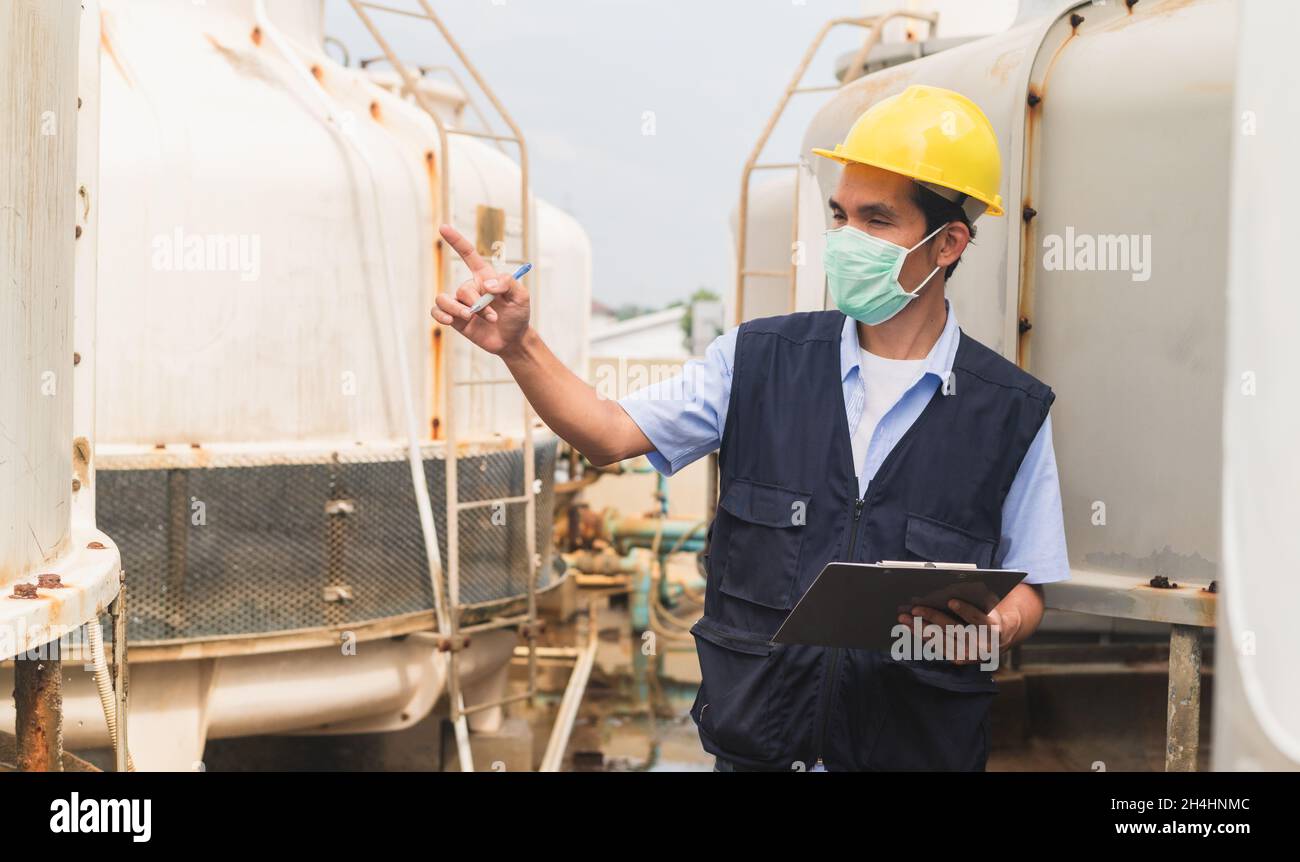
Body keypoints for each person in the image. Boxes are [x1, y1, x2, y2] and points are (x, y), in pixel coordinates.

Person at [431, 84, 1068, 772]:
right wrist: (519, 346)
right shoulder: (757, 361)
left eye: (876, 220)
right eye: (840, 216)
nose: (847, 241)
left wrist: (999, 626)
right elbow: (608, 432)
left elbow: (1031, 584)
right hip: (762, 754)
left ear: (948, 245)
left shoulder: (1009, 411)